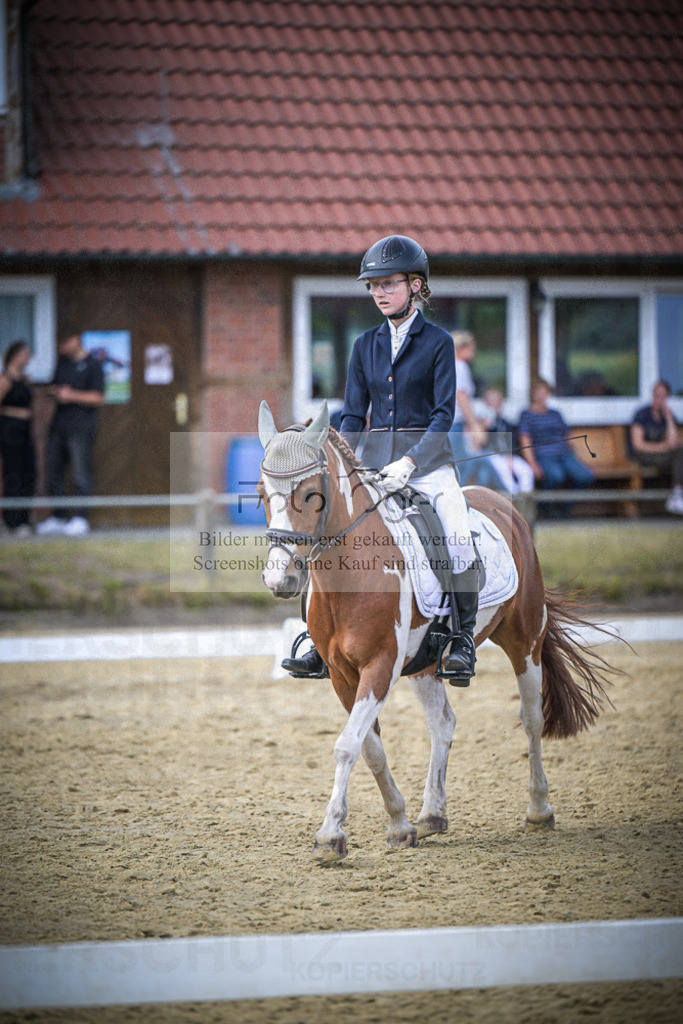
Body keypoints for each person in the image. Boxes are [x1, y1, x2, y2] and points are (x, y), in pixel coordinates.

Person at [282, 234, 478, 682]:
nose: (379, 293)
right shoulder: (364, 345)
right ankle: (318, 639)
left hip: (427, 467)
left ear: (415, 285)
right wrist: (338, 459)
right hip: (370, 466)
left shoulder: (439, 343)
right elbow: (352, 415)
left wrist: (409, 463)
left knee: (458, 533)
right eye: (373, 286)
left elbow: (443, 415)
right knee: (327, 532)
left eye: (388, 284)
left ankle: (461, 638)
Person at [36, 328, 105, 537]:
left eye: (65, 342)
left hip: (82, 427)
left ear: (77, 340)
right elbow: (54, 387)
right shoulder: (62, 363)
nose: (62, 347)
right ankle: (58, 517)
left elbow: (98, 398)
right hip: (59, 425)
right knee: (53, 471)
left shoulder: (94, 365)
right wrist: (54, 392)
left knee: (80, 474)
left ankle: (81, 519)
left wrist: (72, 395)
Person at [518, 379, 594, 515]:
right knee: (556, 476)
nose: (541, 395)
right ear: (532, 394)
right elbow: (525, 441)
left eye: (544, 392)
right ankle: (546, 507)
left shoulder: (555, 414)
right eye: (538, 392)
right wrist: (532, 464)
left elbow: (569, 437)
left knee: (585, 476)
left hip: (564, 455)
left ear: (548, 394)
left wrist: (579, 458)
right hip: (544, 456)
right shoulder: (526, 415)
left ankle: (566, 507)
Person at [630, 380, 683, 515]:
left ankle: (676, 495)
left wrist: (669, 418)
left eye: (662, 396)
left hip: (663, 457)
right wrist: (662, 447)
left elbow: (673, 443)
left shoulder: (667, 416)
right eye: (656, 395)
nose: (658, 399)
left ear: (667, 397)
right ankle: (676, 496)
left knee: (680, 453)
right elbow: (638, 445)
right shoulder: (642, 415)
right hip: (643, 456)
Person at [0, 341, 36, 536]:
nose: (28, 359)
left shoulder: (25, 380)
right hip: (9, 433)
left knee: (29, 473)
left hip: (25, 432)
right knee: (13, 474)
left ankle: (24, 518)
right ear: (15, 356)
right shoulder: (5, 379)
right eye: (25, 354)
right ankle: (12, 521)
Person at [448, 331, 487, 482]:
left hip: (448, 424)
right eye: (471, 347)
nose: (474, 351)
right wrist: (475, 426)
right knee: (460, 466)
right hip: (454, 424)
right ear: (461, 348)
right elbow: (462, 397)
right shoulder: (460, 366)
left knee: (458, 463)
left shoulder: (448, 365)